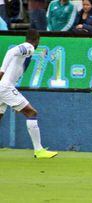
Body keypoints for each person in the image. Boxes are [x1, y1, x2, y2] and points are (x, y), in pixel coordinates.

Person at [0, 29, 58, 158]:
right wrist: (2, 71)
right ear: (37, 40)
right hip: (5, 87)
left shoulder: (26, 50)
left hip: (3, 87)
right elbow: (11, 52)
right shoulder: (29, 47)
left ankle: (39, 150)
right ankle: (39, 150)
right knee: (31, 112)